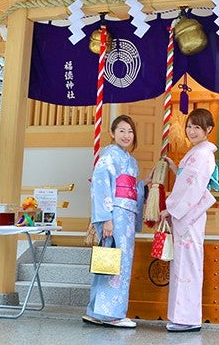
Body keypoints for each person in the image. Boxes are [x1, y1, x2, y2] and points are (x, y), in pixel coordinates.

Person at [83, 115, 150, 328]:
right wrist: (105, 219)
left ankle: (96, 310)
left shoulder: (131, 161)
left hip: (127, 216)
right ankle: (111, 313)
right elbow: (100, 186)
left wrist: (144, 184)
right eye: (121, 130)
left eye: (130, 131)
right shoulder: (108, 157)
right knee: (114, 261)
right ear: (112, 133)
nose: (126, 135)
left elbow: (131, 190)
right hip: (114, 217)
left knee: (112, 261)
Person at [160, 108, 219, 332]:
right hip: (187, 215)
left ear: (208, 130)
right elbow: (187, 180)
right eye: (189, 126)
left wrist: (171, 208)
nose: (191, 131)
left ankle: (188, 318)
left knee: (188, 265)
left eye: (197, 127)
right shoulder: (197, 152)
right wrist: (176, 168)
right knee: (183, 265)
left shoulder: (203, 154)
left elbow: (193, 187)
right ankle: (182, 316)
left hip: (189, 215)